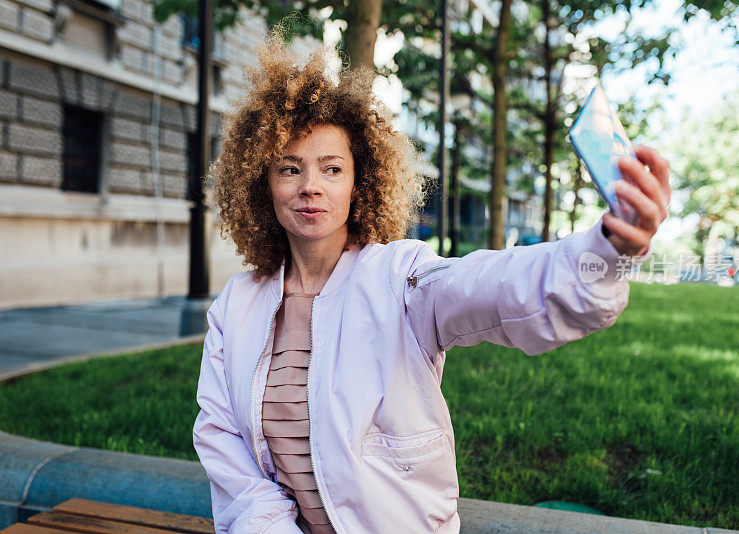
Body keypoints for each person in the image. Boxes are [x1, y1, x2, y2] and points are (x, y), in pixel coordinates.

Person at [192, 36, 670, 534]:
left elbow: (494, 285)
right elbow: (222, 438)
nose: (311, 185)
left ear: (359, 183)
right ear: (261, 182)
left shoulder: (400, 277)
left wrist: (608, 248)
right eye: (290, 168)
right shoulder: (237, 305)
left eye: (332, 169)